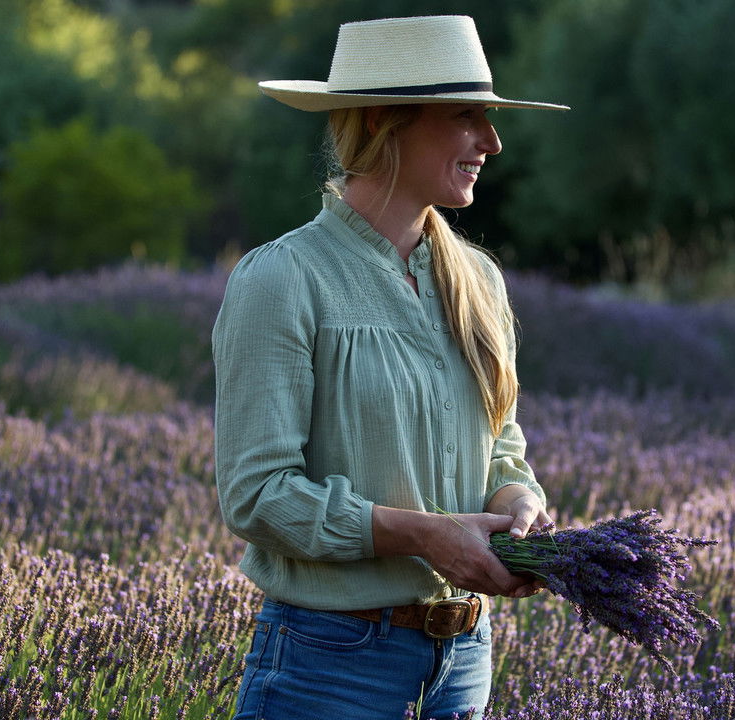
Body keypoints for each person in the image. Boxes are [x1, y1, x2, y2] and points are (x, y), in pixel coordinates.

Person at [212, 15, 568, 720]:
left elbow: (499, 444)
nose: (492, 143)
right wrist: (427, 535)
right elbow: (257, 495)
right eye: (467, 117)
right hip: (329, 668)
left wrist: (516, 503)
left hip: (465, 661)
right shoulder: (283, 280)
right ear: (382, 121)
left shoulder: (479, 281)